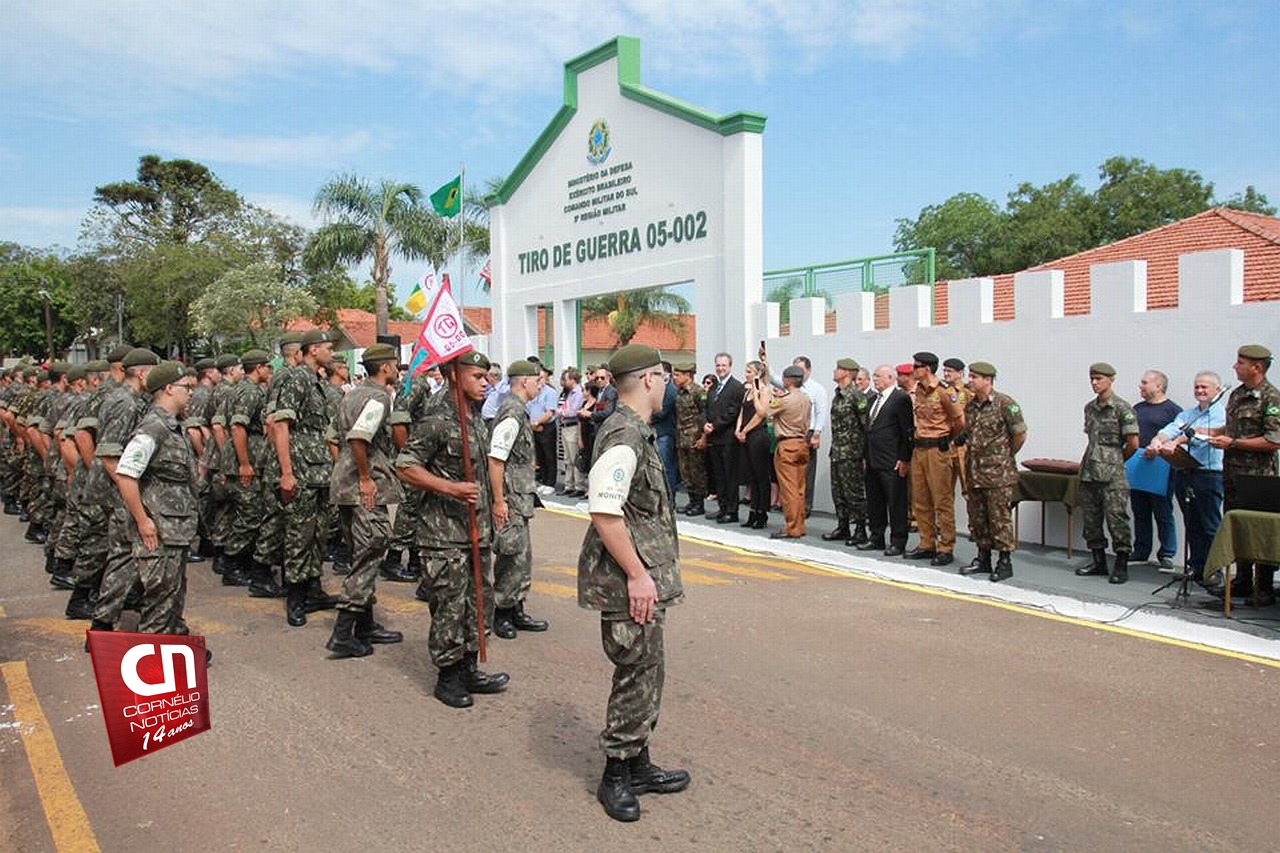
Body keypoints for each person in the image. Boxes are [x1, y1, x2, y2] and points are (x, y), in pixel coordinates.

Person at [578, 344, 689, 823]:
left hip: (643, 576)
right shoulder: (623, 435)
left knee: (648, 670)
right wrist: (639, 575)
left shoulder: (635, 432)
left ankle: (638, 761)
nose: (665, 384)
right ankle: (616, 773)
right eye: (662, 376)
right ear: (648, 380)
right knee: (635, 672)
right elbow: (605, 511)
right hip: (631, 580)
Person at [396, 351, 509, 708]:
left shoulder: (473, 415)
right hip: (443, 533)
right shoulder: (437, 417)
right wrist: (451, 488)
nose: (486, 383)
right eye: (477, 376)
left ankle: (469, 668)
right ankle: (448, 676)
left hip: (475, 530)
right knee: (449, 605)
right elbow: (406, 465)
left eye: (487, 377)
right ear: (453, 375)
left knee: (479, 600)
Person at [325, 344, 405, 658]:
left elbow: (333, 437)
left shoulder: (351, 394)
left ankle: (365, 625)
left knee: (361, 552)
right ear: (385, 367)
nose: (397, 370)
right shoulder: (379, 397)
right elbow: (359, 437)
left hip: (345, 487)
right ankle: (343, 634)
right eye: (395, 365)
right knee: (370, 552)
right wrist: (365, 477)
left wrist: (345, 471)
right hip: (363, 489)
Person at [114, 362, 200, 637]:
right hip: (159, 530)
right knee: (159, 602)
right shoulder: (153, 427)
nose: (191, 393)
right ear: (168, 389)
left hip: (174, 529)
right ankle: (153, 668)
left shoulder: (173, 426)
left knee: (171, 596)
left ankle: (174, 651)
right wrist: (143, 521)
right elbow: (126, 475)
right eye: (187, 387)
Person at [89, 347, 162, 639]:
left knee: (126, 557)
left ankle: (107, 622)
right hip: (121, 492)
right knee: (125, 557)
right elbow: (109, 455)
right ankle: (103, 625)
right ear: (142, 373)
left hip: (123, 490)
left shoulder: (129, 398)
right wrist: (131, 498)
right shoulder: (125, 402)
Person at [273, 329, 341, 626]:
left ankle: (313, 588)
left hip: (321, 470)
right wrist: (287, 472)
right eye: (328, 347)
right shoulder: (298, 378)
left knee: (318, 534)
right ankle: (295, 597)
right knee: (299, 535)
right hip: (302, 468)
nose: (332, 353)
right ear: (313, 350)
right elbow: (281, 425)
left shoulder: (320, 383)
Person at [1206, 345, 1280, 605]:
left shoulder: (1271, 398)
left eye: (1240, 363)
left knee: (1258, 530)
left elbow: (1273, 440)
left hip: (1258, 478)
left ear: (1257, 367)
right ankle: (1243, 581)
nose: (1235, 367)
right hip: (1233, 474)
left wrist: (1233, 443)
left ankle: (1264, 587)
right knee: (1236, 527)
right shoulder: (1237, 395)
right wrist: (1213, 434)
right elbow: (1233, 427)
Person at [489, 359, 550, 640]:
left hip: (520, 496)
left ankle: (516, 607)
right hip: (511, 497)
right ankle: (501, 611)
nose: (541, 384)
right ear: (524, 381)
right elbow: (496, 459)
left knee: (521, 557)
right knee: (510, 555)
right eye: (538, 380)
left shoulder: (518, 411)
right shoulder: (511, 413)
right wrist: (499, 501)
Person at [1151, 371, 1226, 581]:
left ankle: (1214, 571)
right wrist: (1160, 439)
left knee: (1210, 524)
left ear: (1217, 391)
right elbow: (1173, 427)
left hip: (1209, 475)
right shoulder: (1189, 413)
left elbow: (1203, 436)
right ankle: (1197, 566)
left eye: (1205, 387)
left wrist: (1178, 441)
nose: (1200, 391)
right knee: (1192, 523)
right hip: (1186, 473)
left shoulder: (1220, 415)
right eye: (1197, 387)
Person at [956, 362, 1026, 582]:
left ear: (988, 380)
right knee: (978, 518)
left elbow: (1020, 435)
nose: (970, 380)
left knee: (999, 519)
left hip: (998, 474)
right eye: (970, 376)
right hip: (974, 471)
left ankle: (1004, 562)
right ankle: (983, 558)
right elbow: (969, 432)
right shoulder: (971, 405)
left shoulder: (1005, 404)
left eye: (975, 377)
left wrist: (1004, 457)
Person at [222, 349, 285, 597]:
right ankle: (232, 564)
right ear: (258, 368)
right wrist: (244, 463)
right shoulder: (248, 391)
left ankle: (242, 563)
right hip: (245, 461)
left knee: (253, 513)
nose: (269, 371)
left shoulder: (249, 389)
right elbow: (238, 427)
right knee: (250, 514)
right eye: (267, 367)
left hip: (251, 458)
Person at [1075, 363, 1139, 583]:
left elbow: (1132, 443)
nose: (1094, 383)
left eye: (1099, 378)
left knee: (1116, 519)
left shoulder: (1122, 408)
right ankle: (1098, 561)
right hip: (1089, 471)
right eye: (1092, 378)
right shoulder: (1089, 408)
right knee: (1091, 519)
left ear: (1111, 379)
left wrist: (1115, 461)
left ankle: (1121, 564)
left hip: (1112, 475)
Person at [906, 352, 964, 566]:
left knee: (942, 500)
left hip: (937, 451)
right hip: (919, 449)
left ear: (927, 369)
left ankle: (946, 546)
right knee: (920, 500)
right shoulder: (918, 391)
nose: (914, 369)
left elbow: (959, 420)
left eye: (917, 366)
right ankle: (926, 543)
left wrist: (948, 440)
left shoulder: (943, 392)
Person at [859, 365, 913, 556]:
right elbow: (869, 430)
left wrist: (904, 458)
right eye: (874, 376)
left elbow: (907, 431)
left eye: (878, 376)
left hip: (892, 460)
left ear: (891, 378)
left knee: (896, 502)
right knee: (875, 501)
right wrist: (865, 456)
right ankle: (876, 537)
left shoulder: (901, 399)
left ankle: (898, 541)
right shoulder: (874, 399)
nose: (875, 379)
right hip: (873, 458)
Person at [1131, 370, 1181, 569]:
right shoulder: (1137, 409)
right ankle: (1141, 550)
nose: (1140, 386)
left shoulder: (1173, 411)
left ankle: (1167, 553)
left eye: (1144, 383)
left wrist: (1159, 450)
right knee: (1139, 510)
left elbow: (1178, 437)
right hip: (1138, 464)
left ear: (1158, 386)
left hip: (1162, 468)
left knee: (1163, 511)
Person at [824, 358, 870, 546]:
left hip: (851, 453)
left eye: (838, 369)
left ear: (846, 373)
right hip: (837, 451)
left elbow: (865, 425)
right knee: (838, 492)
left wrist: (864, 454)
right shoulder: (838, 395)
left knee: (854, 492)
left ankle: (860, 530)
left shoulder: (856, 396)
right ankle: (843, 526)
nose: (835, 371)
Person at [766, 365, 812, 539]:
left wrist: (761, 394)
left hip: (787, 444)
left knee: (789, 489)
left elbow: (765, 411)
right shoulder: (806, 398)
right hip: (802, 443)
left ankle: (792, 526)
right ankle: (800, 525)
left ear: (787, 380)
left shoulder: (785, 399)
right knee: (800, 488)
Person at [703, 353, 744, 523]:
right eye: (718, 365)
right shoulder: (713, 387)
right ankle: (722, 507)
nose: (720, 368)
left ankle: (732, 511)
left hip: (728, 439)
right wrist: (705, 423)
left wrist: (715, 425)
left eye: (723, 365)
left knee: (729, 476)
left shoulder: (736, 387)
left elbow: (733, 412)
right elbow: (705, 408)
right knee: (718, 475)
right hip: (714, 439)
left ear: (730, 366)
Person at [734, 360, 772, 530]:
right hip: (745, 436)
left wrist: (745, 430)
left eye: (749, 371)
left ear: (758, 373)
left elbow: (760, 414)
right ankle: (752, 511)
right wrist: (738, 428)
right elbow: (743, 411)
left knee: (761, 477)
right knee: (751, 477)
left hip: (758, 435)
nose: (746, 374)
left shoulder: (764, 390)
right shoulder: (747, 391)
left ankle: (762, 513)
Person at [793, 356, 827, 516]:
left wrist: (817, 434)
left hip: (808, 433)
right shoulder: (791, 386)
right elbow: (771, 378)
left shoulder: (816, 389)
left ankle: (805, 506)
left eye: (800, 369)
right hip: (793, 434)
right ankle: (794, 505)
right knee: (793, 473)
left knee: (807, 472)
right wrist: (765, 360)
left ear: (809, 370)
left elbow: (821, 413)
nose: (797, 373)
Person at [673, 363, 708, 515]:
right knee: (685, 471)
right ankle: (691, 501)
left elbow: (705, 413)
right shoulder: (679, 392)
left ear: (688, 375)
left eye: (678, 375)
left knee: (696, 471)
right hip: (681, 436)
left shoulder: (698, 391)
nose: (675, 378)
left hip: (694, 436)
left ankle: (699, 504)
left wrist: (703, 437)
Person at [527, 363, 559, 492]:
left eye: (541, 378)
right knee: (540, 455)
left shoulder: (549, 392)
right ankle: (544, 480)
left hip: (546, 427)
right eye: (537, 378)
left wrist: (537, 423)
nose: (539, 381)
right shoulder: (533, 393)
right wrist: (532, 425)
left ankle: (551, 483)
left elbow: (550, 412)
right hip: (534, 427)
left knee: (549, 455)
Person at [556, 368, 587, 498]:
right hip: (564, 426)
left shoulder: (579, 393)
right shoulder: (569, 393)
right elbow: (565, 407)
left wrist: (561, 412)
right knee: (567, 459)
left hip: (573, 426)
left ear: (573, 379)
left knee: (575, 457)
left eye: (567, 379)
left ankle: (579, 486)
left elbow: (573, 411)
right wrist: (562, 411)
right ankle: (569, 485)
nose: (565, 381)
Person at [652, 361, 679, 496]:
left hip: (665, 433)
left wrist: (646, 414)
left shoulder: (670, 390)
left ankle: (670, 497)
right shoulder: (660, 388)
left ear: (666, 373)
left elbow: (662, 411)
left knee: (667, 467)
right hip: (658, 432)